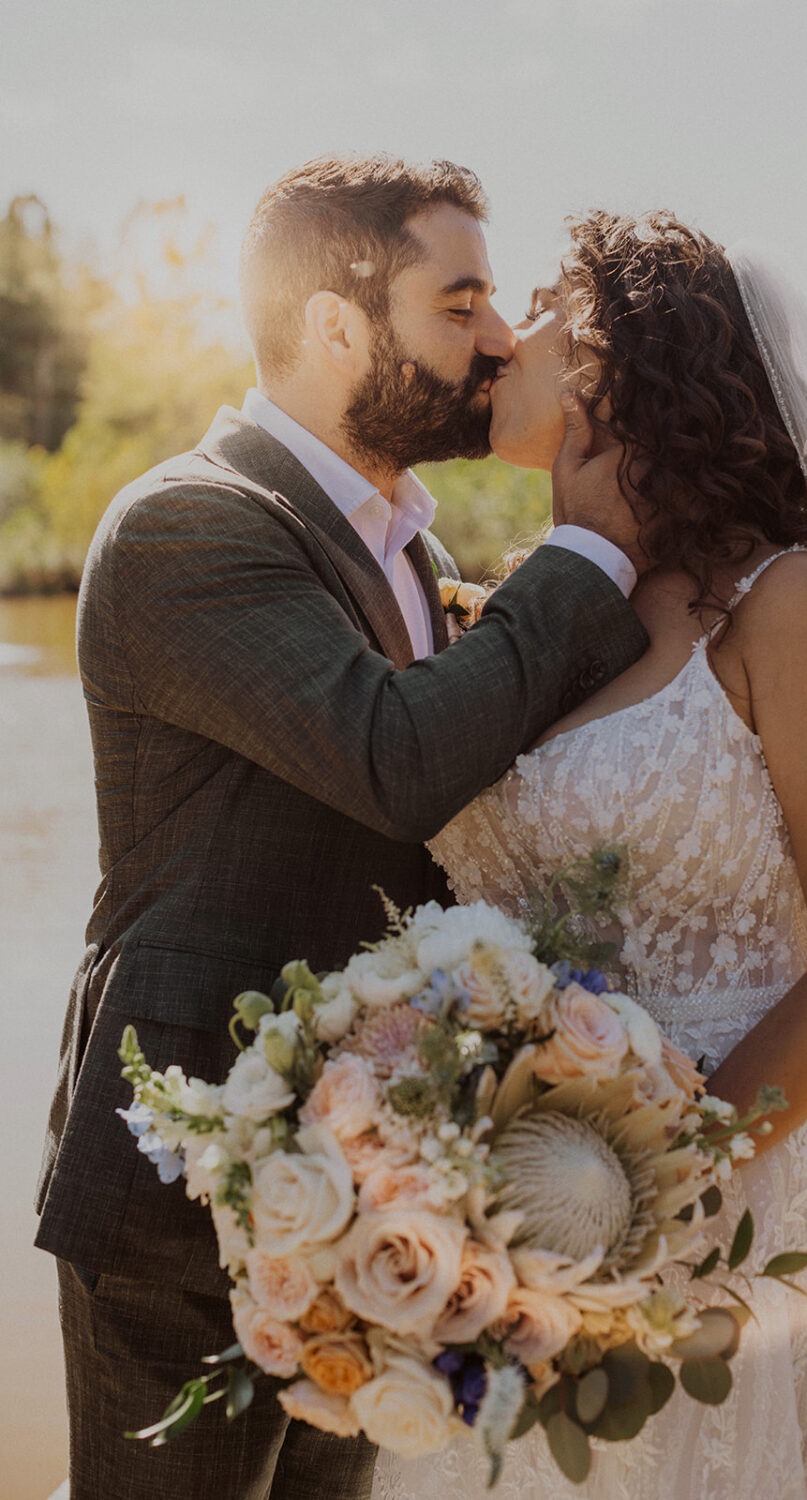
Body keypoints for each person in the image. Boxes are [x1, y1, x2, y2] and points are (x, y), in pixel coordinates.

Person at [33, 157, 652, 1500]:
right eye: (460, 300)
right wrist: (590, 554)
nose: (495, 339)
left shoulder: (413, 554)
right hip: (181, 1175)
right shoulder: (187, 524)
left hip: (378, 1189)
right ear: (333, 325)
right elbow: (396, 755)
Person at [374, 212, 807, 1499]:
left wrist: (647, 1187)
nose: (499, 338)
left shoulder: (788, 603)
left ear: (615, 362)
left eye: (533, 305)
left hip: (751, 1188)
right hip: (524, 1200)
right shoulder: (535, 605)